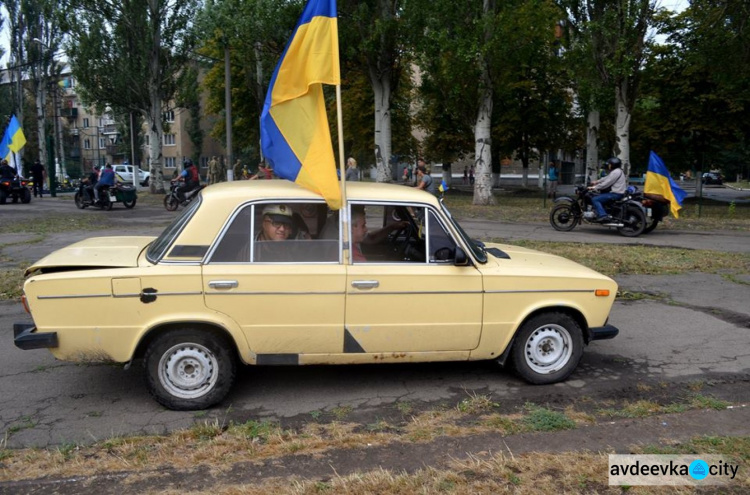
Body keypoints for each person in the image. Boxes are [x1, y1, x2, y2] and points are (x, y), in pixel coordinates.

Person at [589, 157, 627, 222]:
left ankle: (603, 216)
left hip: (616, 194)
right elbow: (607, 178)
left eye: (610, 164)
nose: (608, 166)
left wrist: (594, 187)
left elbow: (606, 183)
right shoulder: (617, 171)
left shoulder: (616, 172)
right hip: (618, 193)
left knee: (595, 199)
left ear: (613, 165)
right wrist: (597, 181)